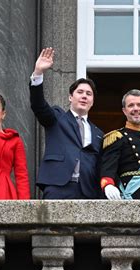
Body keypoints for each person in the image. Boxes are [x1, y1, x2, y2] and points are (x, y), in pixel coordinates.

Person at [30, 47, 104, 199]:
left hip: (88, 191)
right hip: (58, 187)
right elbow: (39, 105)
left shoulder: (98, 133)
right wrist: (38, 73)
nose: (84, 96)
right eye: (80, 92)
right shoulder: (57, 117)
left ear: (92, 101)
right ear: (71, 97)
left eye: (88, 94)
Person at [100, 89, 140, 200]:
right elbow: (108, 167)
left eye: (139, 105)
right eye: (131, 105)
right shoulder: (118, 137)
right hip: (132, 194)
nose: (135, 108)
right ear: (124, 111)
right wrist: (108, 185)